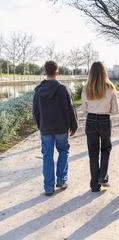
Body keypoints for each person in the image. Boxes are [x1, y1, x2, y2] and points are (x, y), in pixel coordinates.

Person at [33, 61, 78, 196]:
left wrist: (40, 125)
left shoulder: (38, 91)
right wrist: (73, 124)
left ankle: (48, 187)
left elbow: (35, 111)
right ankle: (62, 180)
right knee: (63, 151)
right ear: (57, 72)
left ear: (44, 71)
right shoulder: (63, 89)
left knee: (47, 156)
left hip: (46, 128)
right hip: (61, 128)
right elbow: (70, 108)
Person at [81, 61, 118, 192]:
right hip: (104, 120)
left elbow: (83, 109)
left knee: (93, 153)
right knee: (106, 149)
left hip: (90, 120)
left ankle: (94, 185)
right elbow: (115, 110)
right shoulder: (110, 87)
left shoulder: (86, 87)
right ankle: (103, 176)